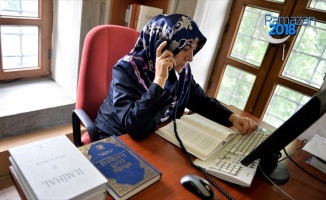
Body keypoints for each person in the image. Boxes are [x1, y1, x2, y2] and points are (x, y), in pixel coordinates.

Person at [94, 14, 258, 140]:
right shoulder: (126, 69)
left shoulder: (181, 71)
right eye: (185, 48)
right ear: (163, 45)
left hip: (158, 137)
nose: (191, 58)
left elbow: (200, 101)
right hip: (117, 137)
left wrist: (232, 117)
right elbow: (135, 128)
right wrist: (159, 81)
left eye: (193, 49)